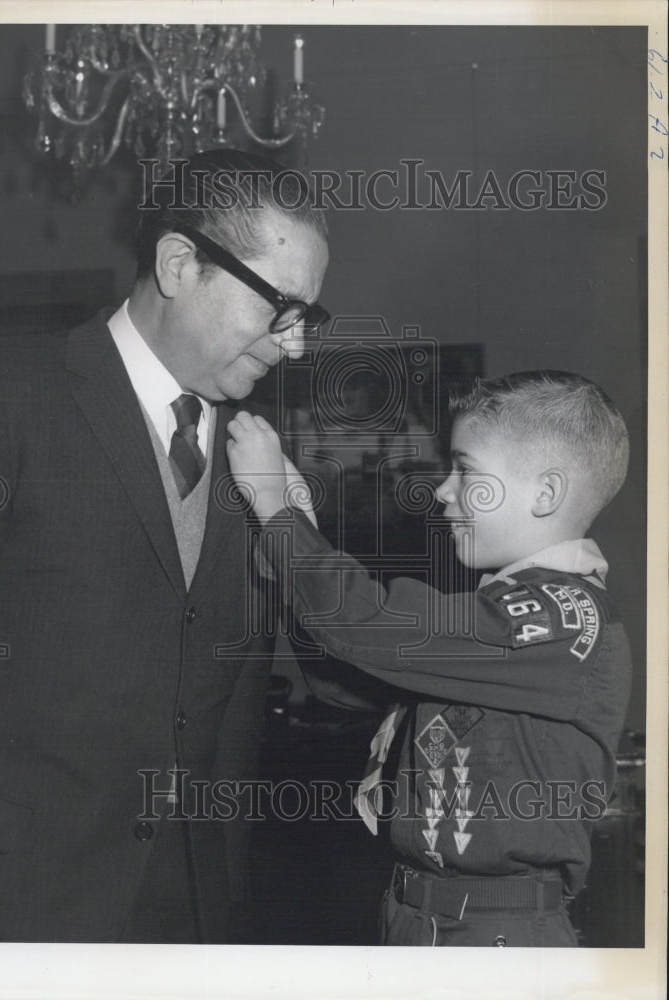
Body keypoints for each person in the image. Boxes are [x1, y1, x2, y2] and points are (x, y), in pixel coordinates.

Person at [0, 148, 329, 943]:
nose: (293, 346)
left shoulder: (259, 455)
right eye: (278, 309)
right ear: (178, 263)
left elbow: (234, 708)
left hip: (186, 918)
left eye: (307, 318)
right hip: (7, 908)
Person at [226, 370, 632, 946]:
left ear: (545, 494)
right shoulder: (507, 606)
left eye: (465, 469)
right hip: (422, 912)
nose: (443, 489)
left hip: (498, 930)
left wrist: (277, 510)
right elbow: (343, 680)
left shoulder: (560, 618)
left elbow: (372, 625)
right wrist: (293, 534)